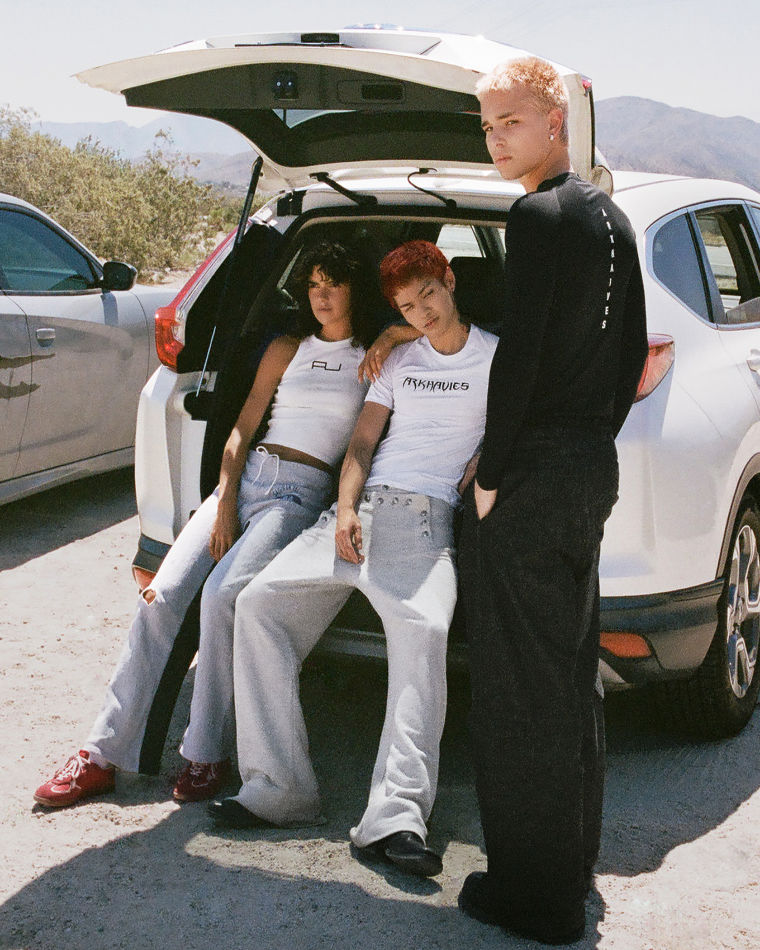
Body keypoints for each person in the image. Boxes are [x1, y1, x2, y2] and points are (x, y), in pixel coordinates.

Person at [33, 240, 384, 809]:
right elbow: (242, 430)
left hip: (297, 493)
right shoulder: (287, 348)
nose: (321, 296)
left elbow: (431, 333)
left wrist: (389, 337)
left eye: (334, 284)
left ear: (355, 290)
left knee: (222, 597)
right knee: (161, 596)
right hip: (244, 480)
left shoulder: (374, 357)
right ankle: (100, 754)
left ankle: (205, 752)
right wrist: (223, 502)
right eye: (313, 284)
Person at [206, 240, 498, 880]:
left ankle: (395, 817)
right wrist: (343, 510)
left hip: (423, 519)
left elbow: (519, 423)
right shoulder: (397, 358)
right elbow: (362, 444)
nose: (422, 313)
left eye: (428, 296)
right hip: (356, 513)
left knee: (423, 628)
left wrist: (488, 459)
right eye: (406, 307)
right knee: (257, 605)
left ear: (450, 282)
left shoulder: (495, 356)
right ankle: (279, 788)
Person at [456, 58, 648, 943]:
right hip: (586, 468)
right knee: (568, 680)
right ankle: (568, 872)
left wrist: (492, 472)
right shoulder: (610, 216)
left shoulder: (537, 216)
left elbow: (521, 352)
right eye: (488, 125)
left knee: (516, 693)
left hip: (532, 479)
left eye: (511, 122)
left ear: (555, 122)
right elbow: (629, 354)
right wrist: (590, 438)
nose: (496, 139)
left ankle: (535, 900)